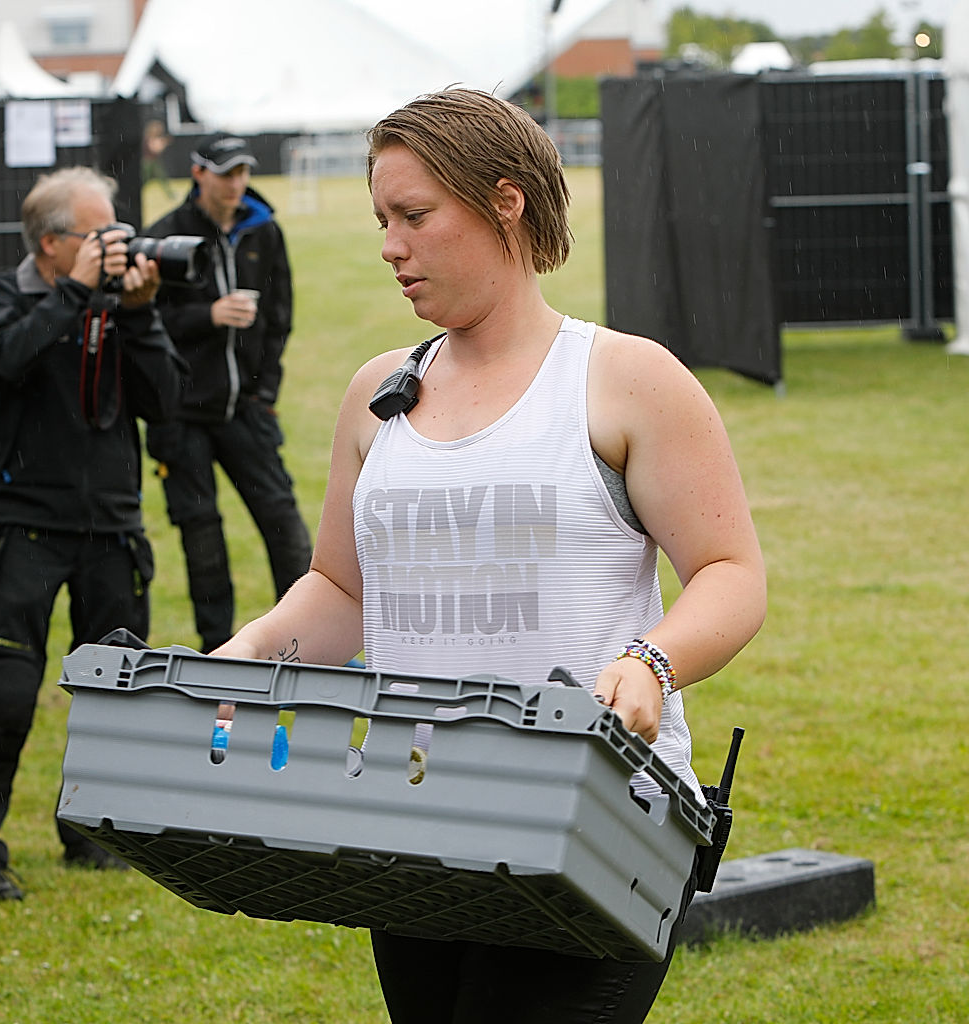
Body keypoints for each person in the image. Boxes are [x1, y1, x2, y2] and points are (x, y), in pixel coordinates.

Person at [214, 89, 767, 1023]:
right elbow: (343, 589)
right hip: (409, 819)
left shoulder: (627, 379)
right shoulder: (376, 394)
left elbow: (731, 573)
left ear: (505, 201)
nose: (391, 244)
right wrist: (250, 652)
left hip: (593, 824)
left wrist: (651, 664)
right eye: (382, 219)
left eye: (416, 216)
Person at [0, 166, 186, 900]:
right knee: (11, 693)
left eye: (117, 229)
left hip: (111, 529)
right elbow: (7, 356)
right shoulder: (4, 296)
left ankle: (88, 832)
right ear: (52, 243)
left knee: (113, 699)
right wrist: (78, 296)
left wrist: (140, 313)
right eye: (99, 233)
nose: (115, 244)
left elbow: (166, 401)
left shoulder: (120, 307)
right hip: (26, 529)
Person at [144, 132, 312, 653]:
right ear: (199, 174)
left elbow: (280, 317)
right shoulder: (165, 238)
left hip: (246, 409)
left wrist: (266, 393)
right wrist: (208, 315)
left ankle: (306, 640)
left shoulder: (265, 230)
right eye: (225, 173)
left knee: (284, 524)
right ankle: (218, 651)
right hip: (180, 414)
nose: (236, 183)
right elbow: (146, 322)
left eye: (242, 172)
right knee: (203, 538)